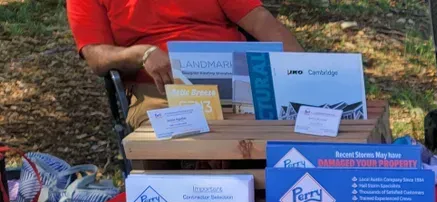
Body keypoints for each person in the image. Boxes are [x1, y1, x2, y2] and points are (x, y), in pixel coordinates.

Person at [67, 0, 304, 129]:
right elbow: (96, 56)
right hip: (163, 90)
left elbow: (262, 23)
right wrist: (141, 54)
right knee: (184, 141)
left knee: (293, 128)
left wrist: (305, 73)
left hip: (237, 84)